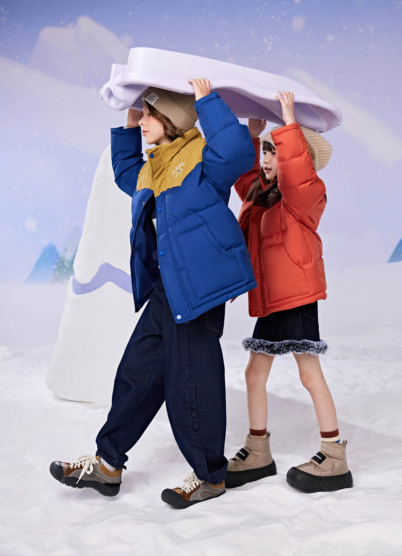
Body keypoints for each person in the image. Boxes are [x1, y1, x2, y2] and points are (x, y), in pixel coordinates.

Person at [50, 79, 256, 509]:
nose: (143, 120)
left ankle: (210, 475)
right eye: (142, 113)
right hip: (168, 285)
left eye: (149, 114)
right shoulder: (155, 165)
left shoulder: (203, 159)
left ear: (172, 119)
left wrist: (206, 101)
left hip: (198, 287)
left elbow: (236, 151)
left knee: (191, 381)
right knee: (138, 371)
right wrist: (128, 124)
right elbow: (126, 173)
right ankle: (108, 463)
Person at [225, 91, 353, 493]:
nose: (267, 158)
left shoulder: (306, 196)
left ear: (299, 157)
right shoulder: (261, 195)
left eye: (275, 151)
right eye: (266, 151)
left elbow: (297, 172)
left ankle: (334, 454)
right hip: (271, 299)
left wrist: (288, 122)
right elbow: (244, 178)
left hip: (296, 295)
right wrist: (253, 136)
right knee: (254, 372)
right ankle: (258, 449)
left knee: (308, 373)